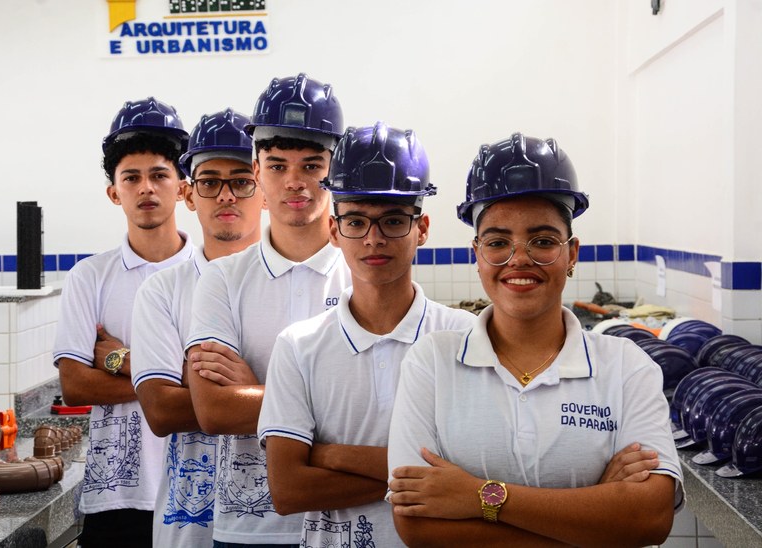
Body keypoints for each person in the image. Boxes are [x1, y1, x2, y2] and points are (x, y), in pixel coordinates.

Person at [387, 133, 684, 547]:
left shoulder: (626, 367)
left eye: (543, 241)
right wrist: (595, 516)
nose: (519, 258)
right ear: (477, 255)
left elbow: (650, 517)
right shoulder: (432, 363)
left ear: (572, 254)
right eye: (497, 243)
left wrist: (480, 497)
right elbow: (417, 527)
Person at [257, 122, 475, 546]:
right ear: (336, 231)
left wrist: (331, 456)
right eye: (356, 221)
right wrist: (431, 481)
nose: (374, 240)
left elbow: (486, 471)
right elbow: (288, 491)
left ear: (422, 229)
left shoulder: (464, 338)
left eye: (393, 220)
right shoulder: (299, 346)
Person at [185, 73, 350, 547]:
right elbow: (213, 410)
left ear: (334, 170)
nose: (295, 182)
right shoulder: (223, 279)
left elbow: (390, 414)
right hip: (246, 529)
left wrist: (254, 389)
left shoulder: (365, 274)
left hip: (344, 521)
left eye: (312, 165)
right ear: (257, 173)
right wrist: (335, 400)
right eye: (277, 166)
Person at [53, 97, 193, 548]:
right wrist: (173, 386)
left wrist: (117, 358)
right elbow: (75, 384)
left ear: (182, 187)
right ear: (115, 193)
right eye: (131, 178)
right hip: (115, 495)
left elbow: (222, 390)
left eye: (159, 175)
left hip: (196, 490)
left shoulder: (214, 275)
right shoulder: (89, 277)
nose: (146, 188)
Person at [130, 108, 264, 548]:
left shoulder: (298, 286)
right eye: (209, 182)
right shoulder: (161, 291)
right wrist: (274, 392)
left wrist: (227, 390)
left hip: (279, 520)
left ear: (263, 187)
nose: (226, 195)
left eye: (241, 180)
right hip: (187, 529)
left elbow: (337, 409)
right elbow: (161, 412)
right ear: (189, 194)